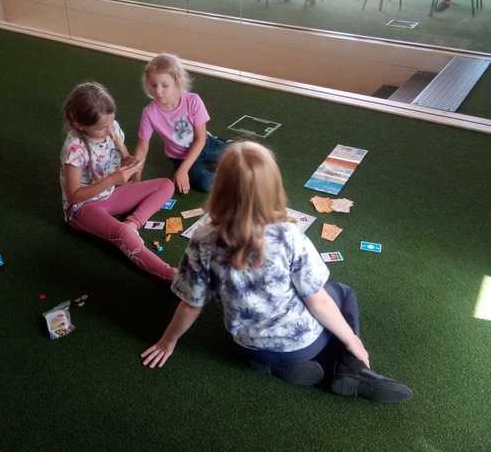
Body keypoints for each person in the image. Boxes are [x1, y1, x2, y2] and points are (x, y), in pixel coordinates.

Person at [142, 141, 412, 404]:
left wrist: (167, 342)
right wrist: (352, 340)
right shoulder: (288, 235)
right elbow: (317, 300)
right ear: (272, 188)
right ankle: (351, 366)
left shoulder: (203, 239)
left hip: (248, 347)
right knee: (341, 292)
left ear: (219, 187)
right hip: (302, 345)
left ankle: (275, 366)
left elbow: (191, 304)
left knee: (276, 341)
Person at [61, 81, 176, 281]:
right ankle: (169, 274)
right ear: (79, 125)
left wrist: (129, 160)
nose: (109, 130)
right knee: (122, 233)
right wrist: (112, 179)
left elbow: (122, 156)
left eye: (111, 122)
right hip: (84, 206)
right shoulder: (75, 148)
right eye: (102, 128)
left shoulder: (111, 127)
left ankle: (133, 223)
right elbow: (74, 196)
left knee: (166, 185)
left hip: (112, 192)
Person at [134, 53, 227, 194]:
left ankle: (223, 143)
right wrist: (136, 179)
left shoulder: (193, 101)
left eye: (165, 85)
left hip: (205, 143)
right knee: (205, 183)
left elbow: (200, 139)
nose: (158, 91)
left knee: (239, 157)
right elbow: (142, 147)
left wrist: (183, 171)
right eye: (153, 85)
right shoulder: (149, 113)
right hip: (179, 157)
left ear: (177, 82)